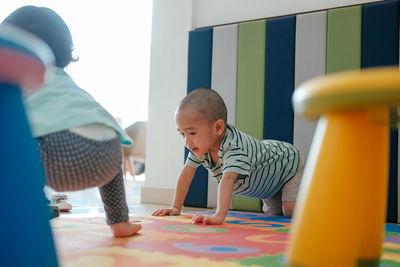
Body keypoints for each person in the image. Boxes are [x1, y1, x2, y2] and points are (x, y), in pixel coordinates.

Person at [2, 5, 141, 237]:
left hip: (59, 157)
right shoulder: (66, 82)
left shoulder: (19, 83)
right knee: (103, 133)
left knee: (13, 144)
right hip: (109, 154)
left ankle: (32, 211)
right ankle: (119, 221)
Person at [152, 88, 305, 225]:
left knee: (290, 210)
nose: (186, 141)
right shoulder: (201, 147)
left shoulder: (234, 147)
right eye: (182, 134)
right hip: (269, 183)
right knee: (277, 220)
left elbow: (228, 179)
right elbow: (187, 174)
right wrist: (176, 207)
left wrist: (219, 215)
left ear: (218, 128)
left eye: (192, 133)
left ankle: (323, 207)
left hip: (287, 164)